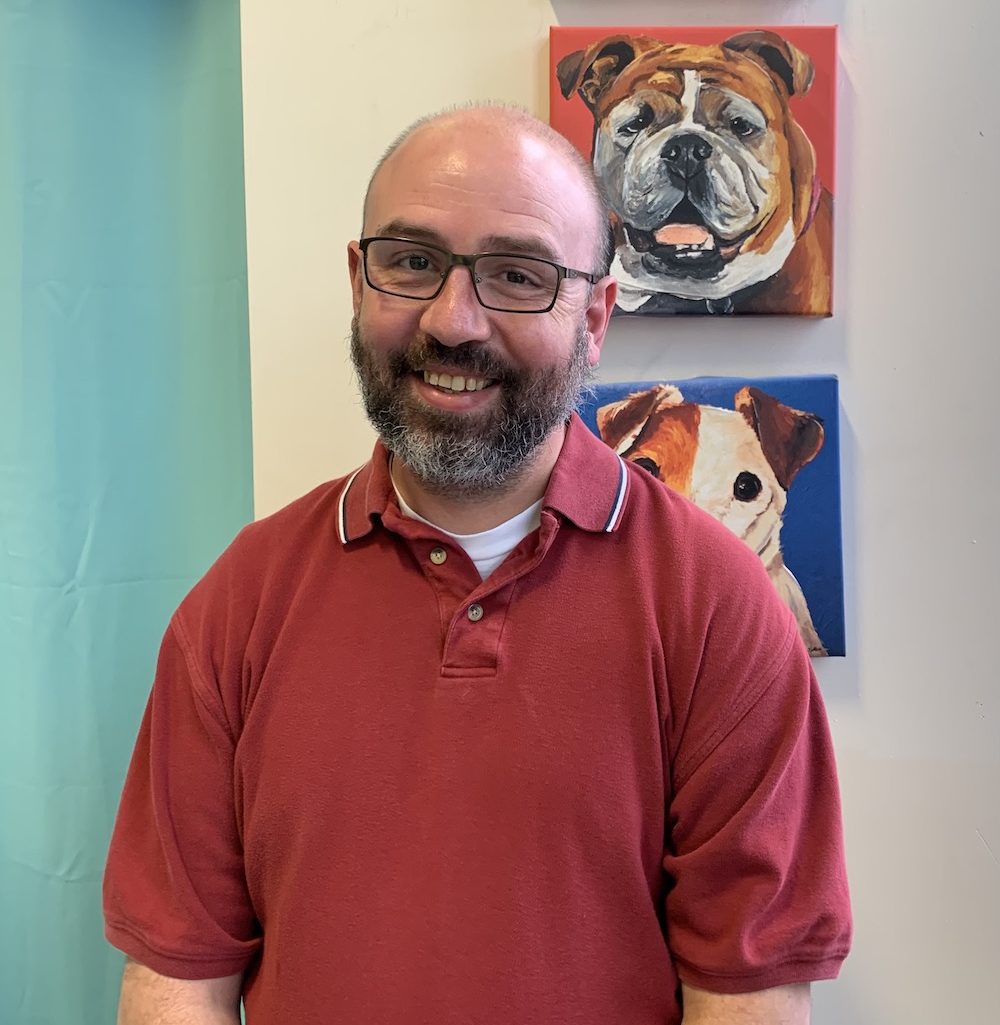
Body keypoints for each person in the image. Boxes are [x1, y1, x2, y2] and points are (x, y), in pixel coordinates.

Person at [104, 104, 851, 1025]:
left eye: (517, 275)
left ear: (596, 317)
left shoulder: (720, 607)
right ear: (357, 280)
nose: (455, 321)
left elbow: (750, 1000)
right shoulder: (239, 605)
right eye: (412, 262)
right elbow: (178, 981)